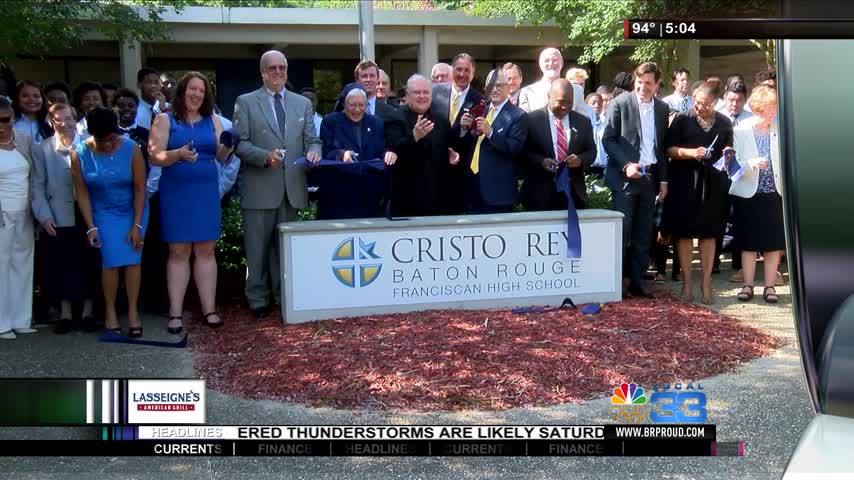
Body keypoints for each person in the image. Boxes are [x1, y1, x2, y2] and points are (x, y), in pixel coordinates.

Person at [233, 50, 321, 319]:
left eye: (282, 67)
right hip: (259, 187)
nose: (278, 72)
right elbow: (239, 144)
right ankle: (258, 300)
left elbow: (311, 139)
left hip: (291, 189)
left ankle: (285, 298)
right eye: (272, 68)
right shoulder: (245, 102)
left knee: (285, 252)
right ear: (262, 72)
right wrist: (263, 157)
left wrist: (314, 151)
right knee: (257, 250)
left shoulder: (301, 104)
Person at [150, 72, 234, 331]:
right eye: (192, 89)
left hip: (205, 192)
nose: (197, 94)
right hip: (176, 192)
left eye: (202, 90)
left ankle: (209, 309)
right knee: (178, 252)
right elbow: (154, 156)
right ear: (182, 91)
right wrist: (177, 154)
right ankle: (175, 313)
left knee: (206, 250)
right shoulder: (165, 120)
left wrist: (229, 146)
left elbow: (221, 156)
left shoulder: (213, 120)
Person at [70, 107, 147, 337]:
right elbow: (82, 193)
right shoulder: (79, 153)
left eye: (113, 138)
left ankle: (133, 311)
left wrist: (137, 225)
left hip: (133, 208)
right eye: (103, 140)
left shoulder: (131, 148)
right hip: (102, 211)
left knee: (133, 258)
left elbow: (140, 187)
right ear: (91, 134)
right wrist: (91, 226)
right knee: (110, 260)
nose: (109, 144)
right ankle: (110, 312)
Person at [602, 62, 670, 299]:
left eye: (648, 83)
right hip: (625, 178)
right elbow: (608, 140)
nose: (643, 87)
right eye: (639, 82)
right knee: (623, 232)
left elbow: (660, 147)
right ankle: (618, 280)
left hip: (650, 177)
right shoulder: (619, 103)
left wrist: (664, 180)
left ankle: (638, 281)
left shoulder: (662, 109)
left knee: (644, 233)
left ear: (657, 84)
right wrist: (626, 165)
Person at [662, 85, 734, 304]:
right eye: (697, 101)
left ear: (715, 102)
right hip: (685, 181)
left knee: (709, 233)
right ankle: (686, 283)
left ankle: (706, 282)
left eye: (705, 103)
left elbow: (729, 150)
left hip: (713, 183)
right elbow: (669, 150)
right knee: (684, 233)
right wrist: (691, 152)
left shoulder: (724, 122)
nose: (700, 107)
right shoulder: (683, 119)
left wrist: (728, 153)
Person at [31, 103, 99, 333]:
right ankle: (65, 314)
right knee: (62, 264)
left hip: (88, 212)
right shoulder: (42, 149)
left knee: (89, 262)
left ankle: (89, 313)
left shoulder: (89, 143)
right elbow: (37, 186)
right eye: (59, 120)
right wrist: (44, 215)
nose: (65, 123)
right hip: (58, 214)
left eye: (69, 118)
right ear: (51, 122)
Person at [730, 85, 783, 304]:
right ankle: (748, 285)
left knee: (773, 243)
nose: (774, 112)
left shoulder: (780, 128)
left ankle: (770, 287)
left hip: (775, 192)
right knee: (749, 242)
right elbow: (732, 164)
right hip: (749, 193)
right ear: (759, 108)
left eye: (775, 107)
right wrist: (751, 164)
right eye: (770, 108)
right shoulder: (740, 130)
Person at [317, 88, 397, 219]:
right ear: (344, 104)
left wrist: (388, 153)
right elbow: (325, 151)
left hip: (369, 192)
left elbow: (381, 148)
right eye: (352, 105)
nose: (357, 109)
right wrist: (342, 155)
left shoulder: (376, 123)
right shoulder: (330, 122)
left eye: (361, 105)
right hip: (339, 193)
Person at [457, 69, 527, 213]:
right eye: (491, 86)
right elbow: (470, 146)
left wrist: (491, 133)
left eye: (499, 85)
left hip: (498, 192)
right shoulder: (480, 110)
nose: (494, 89)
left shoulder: (518, 116)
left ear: (508, 87)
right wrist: (464, 129)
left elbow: (515, 148)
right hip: (472, 186)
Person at [390, 74, 459, 217]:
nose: (422, 96)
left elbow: (447, 147)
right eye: (417, 92)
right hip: (406, 201)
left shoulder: (441, 120)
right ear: (407, 95)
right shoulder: (395, 117)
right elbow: (393, 150)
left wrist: (451, 153)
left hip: (438, 200)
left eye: (426, 92)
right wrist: (414, 137)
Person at [522, 79, 596, 212]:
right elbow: (523, 152)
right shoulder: (531, 120)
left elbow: (591, 151)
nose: (565, 107)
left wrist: (580, 160)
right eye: (561, 102)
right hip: (539, 194)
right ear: (549, 96)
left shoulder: (583, 122)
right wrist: (541, 162)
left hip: (573, 193)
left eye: (569, 102)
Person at [0, 96, 37, 340]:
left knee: (23, 264)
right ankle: (2, 323)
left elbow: (34, 175)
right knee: (1, 267)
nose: (1, 125)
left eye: (5, 119)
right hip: (2, 212)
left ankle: (21, 319)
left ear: (13, 118)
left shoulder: (24, 139)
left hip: (24, 211)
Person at [431, 53, 482, 215]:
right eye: (458, 69)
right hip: (434, 168)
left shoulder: (479, 100)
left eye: (467, 70)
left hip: (460, 173)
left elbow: (477, 138)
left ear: (472, 74)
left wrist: (464, 131)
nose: (462, 74)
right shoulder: (434, 92)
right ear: (452, 70)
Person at [519, 48, 564, 113]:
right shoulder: (527, 92)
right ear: (540, 64)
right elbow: (524, 120)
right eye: (546, 60)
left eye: (555, 60)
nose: (551, 63)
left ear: (561, 63)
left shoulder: (576, 90)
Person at [586, 92, 608, 173]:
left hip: (603, 168)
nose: (596, 106)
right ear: (586, 105)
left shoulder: (606, 126)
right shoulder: (583, 125)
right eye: (593, 103)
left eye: (600, 103)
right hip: (587, 167)